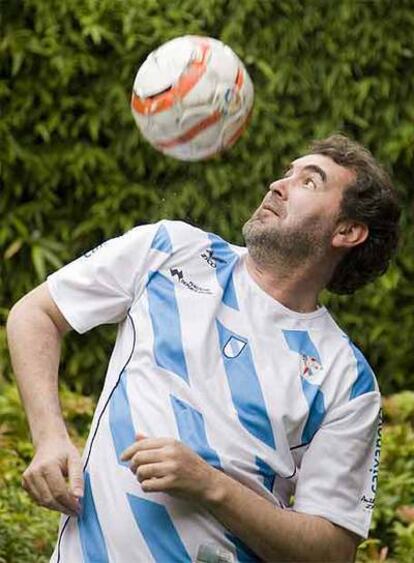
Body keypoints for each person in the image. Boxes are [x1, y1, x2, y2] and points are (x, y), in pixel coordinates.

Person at [7, 134, 400, 562]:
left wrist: (210, 485)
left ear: (347, 231)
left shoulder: (347, 380)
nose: (278, 185)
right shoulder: (170, 250)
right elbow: (36, 314)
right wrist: (49, 437)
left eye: (310, 182)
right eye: (287, 172)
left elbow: (331, 551)